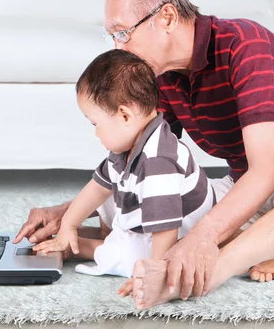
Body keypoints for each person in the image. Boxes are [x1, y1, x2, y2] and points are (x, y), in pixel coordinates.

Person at [14, 0, 274, 309]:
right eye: (113, 36)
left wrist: (200, 240)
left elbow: (266, 171)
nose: (118, 47)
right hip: (250, 191)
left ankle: (214, 270)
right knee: (172, 205)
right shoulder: (159, 78)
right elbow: (141, 163)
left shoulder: (245, 45)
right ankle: (269, 240)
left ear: (167, 17)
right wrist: (68, 216)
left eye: (123, 32)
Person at [31, 49, 221, 297]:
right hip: (151, 211)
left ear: (124, 115)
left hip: (181, 228)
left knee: (128, 256)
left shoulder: (158, 162)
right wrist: (68, 224)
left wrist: (156, 271)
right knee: (109, 192)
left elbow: (166, 231)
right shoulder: (128, 145)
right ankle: (100, 236)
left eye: (95, 124)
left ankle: (84, 247)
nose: (95, 133)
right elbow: (97, 188)